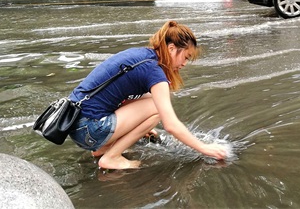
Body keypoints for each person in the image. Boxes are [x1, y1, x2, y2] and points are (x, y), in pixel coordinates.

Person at [68, 21, 228, 170]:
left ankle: (102, 149)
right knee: (157, 108)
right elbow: (170, 124)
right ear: (171, 48)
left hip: (75, 125)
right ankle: (111, 157)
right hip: (89, 129)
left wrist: (140, 126)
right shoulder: (154, 71)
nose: (185, 64)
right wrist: (205, 148)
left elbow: (120, 100)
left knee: (153, 101)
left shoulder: (142, 56)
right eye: (185, 57)